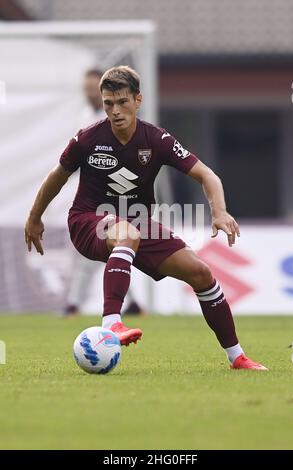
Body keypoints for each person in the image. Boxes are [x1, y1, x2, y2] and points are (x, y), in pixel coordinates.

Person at [25, 66, 267, 370]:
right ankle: (112, 324)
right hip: (88, 220)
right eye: (108, 104)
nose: (115, 111)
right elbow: (57, 176)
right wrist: (35, 217)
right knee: (128, 233)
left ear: (138, 100)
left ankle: (237, 356)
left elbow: (207, 175)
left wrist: (219, 211)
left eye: (122, 102)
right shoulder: (87, 138)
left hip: (136, 222)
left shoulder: (157, 139)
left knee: (201, 273)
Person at [63, 68, 143, 316]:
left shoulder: (125, 121)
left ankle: (77, 305)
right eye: (86, 89)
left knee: (110, 250)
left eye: (92, 88)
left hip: (119, 195)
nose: (89, 93)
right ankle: (128, 305)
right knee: (104, 251)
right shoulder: (84, 119)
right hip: (92, 196)